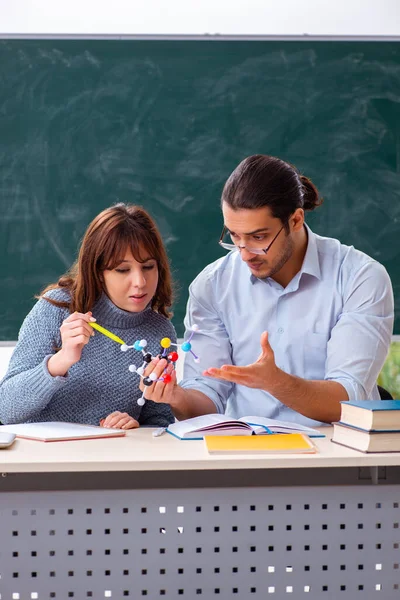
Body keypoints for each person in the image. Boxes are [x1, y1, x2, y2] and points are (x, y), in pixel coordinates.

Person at [141, 155, 394, 427]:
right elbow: (207, 400)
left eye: (258, 237)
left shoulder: (361, 278)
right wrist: (176, 396)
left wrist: (276, 382)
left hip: (337, 457)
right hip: (248, 456)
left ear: (295, 220)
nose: (245, 253)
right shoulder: (213, 286)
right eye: (234, 236)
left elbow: (349, 400)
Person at [0, 204, 176, 429]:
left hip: (104, 459)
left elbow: (159, 421)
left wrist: (135, 427)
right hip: (42, 458)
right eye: (123, 270)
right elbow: (6, 409)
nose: (140, 282)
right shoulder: (56, 309)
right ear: (97, 272)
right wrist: (62, 360)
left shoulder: (160, 333)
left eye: (148, 267)